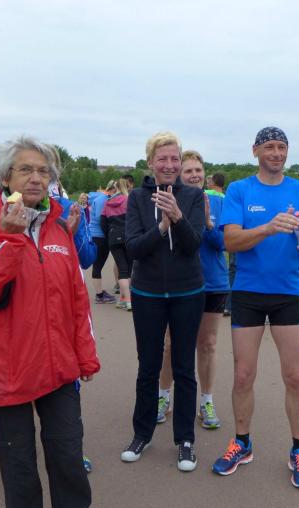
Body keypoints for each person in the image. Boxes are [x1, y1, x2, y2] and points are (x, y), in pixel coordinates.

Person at [0, 136, 99, 508]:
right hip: (7, 369)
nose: (36, 178)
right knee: (19, 469)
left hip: (58, 368)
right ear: (6, 178)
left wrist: (85, 356)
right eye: (26, 169)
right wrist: (9, 237)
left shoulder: (59, 227)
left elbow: (77, 298)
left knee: (68, 456)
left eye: (43, 171)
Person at [211, 126, 299, 489]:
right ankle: (242, 442)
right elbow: (230, 240)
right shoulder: (240, 190)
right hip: (248, 292)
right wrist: (268, 227)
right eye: (269, 147)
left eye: (281, 147)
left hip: (287, 293)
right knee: (243, 375)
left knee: (295, 377)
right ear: (255, 151)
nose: (276, 153)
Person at [120, 132, 205, 472]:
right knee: (148, 366)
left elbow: (194, 244)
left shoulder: (194, 196)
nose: (169, 165)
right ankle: (141, 434)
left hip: (187, 292)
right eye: (163, 159)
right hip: (148, 293)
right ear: (150, 162)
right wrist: (161, 227)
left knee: (184, 367)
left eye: (174, 159)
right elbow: (133, 248)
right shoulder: (138, 198)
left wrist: (178, 218)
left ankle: (185, 440)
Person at [157, 150, 229, 429]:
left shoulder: (218, 202)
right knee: (171, 344)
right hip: (178, 282)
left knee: (207, 343)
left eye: (198, 170)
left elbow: (223, 243)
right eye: (188, 171)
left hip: (212, 282)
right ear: (179, 174)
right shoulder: (169, 200)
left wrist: (209, 224)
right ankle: (163, 396)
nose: (194, 175)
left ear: (205, 175)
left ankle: (206, 400)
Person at [101, 179, 132, 310]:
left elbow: (103, 223)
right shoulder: (128, 200)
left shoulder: (107, 203)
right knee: (129, 269)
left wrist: (109, 235)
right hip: (128, 237)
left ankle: (124, 299)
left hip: (113, 238)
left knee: (122, 269)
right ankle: (129, 300)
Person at [89, 182, 116, 303]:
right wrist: (109, 234)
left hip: (98, 235)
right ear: (112, 189)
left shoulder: (102, 198)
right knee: (98, 265)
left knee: (98, 265)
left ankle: (100, 293)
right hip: (99, 236)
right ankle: (99, 295)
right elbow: (101, 218)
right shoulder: (102, 199)